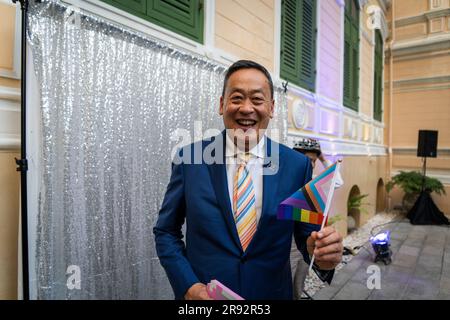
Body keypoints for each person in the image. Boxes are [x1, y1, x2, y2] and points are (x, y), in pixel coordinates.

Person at [153, 60, 343, 300]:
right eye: (236, 98)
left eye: (257, 99)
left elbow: (307, 237)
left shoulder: (297, 166)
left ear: (272, 108)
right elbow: (166, 231)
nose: (246, 108)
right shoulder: (190, 160)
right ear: (222, 105)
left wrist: (323, 255)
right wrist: (189, 286)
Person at [292, 138, 344, 299]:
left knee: (300, 277)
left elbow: (338, 182)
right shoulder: (290, 180)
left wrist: (323, 159)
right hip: (291, 241)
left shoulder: (315, 180)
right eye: (308, 160)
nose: (311, 164)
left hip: (311, 239)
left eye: (313, 161)